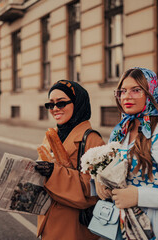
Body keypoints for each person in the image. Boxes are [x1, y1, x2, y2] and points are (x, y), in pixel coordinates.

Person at [95, 67, 158, 240]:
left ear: (150, 94)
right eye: (122, 91)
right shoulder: (120, 133)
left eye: (136, 90)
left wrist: (139, 196)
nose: (126, 96)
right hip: (120, 227)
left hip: (156, 230)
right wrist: (100, 182)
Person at [35, 80, 105, 240]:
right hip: (49, 223)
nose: (55, 109)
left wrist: (53, 172)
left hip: (73, 227)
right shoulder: (52, 135)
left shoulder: (92, 140)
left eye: (61, 103)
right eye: (50, 105)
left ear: (77, 103)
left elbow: (92, 193)